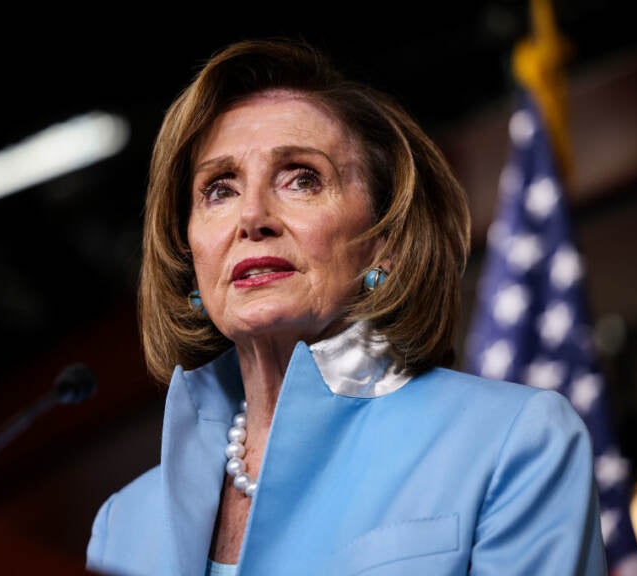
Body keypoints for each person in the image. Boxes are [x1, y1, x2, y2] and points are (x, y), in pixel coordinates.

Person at [86, 37, 607, 575]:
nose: (252, 217)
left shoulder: (513, 440)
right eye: (219, 189)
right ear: (189, 250)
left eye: (302, 179)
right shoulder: (122, 527)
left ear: (385, 238)